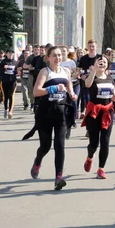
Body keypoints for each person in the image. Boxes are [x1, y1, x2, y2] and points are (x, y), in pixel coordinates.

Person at [29, 46, 77, 190]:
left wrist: (72, 94)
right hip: (45, 113)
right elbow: (36, 92)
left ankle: (58, 177)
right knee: (45, 146)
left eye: (60, 55)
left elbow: (69, 88)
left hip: (61, 113)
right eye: (54, 56)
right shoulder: (45, 72)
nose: (58, 58)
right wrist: (53, 89)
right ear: (48, 58)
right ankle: (38, 161)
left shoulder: (66, 71)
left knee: (60, 145)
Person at [81, 55, 115, 179]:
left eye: (104, 62)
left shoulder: (110, 78)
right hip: (94, 112)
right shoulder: (92, 77)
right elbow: (87, 85)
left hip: (107, 112)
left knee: (105, 141)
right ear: (94, 64)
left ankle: (101, 169)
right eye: (99, 62)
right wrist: (93, 70)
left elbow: (113, 94)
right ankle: (90, 157)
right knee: (94, 143)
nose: (102, 64)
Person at [78, 39, 101, 115]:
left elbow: (105, 70)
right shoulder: (83, 58)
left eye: (93, 46)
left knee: (96, 98)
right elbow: (79, 70)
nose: (91, 48)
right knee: (87, 98)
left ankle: (96, 112)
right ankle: (89, 113)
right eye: (90, 46)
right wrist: (81, 76)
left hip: (97, 81)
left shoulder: (100, 57)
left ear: (96, 47)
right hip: (86, 82)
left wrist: (95, 70)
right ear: (87, 47)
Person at [0, 49, 19, 119]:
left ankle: (10, 112)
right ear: (6, 54)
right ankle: (5, 109)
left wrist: (17, 72)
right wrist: (3, 68)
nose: (10, 55)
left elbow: (17, 71)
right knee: (5, 96)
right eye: (9, 53)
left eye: (12, 53)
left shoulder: (15, 62)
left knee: (11, 95)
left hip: (13, 81)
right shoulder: (3, 62)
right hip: (4, 81)